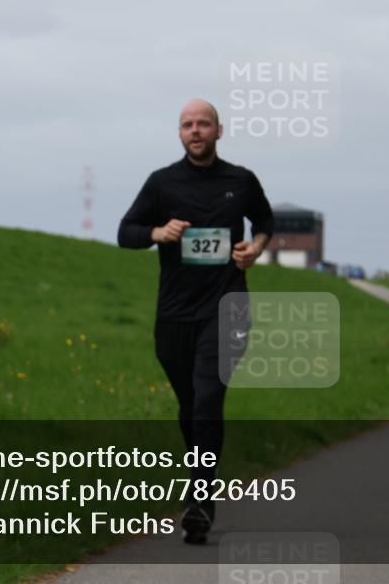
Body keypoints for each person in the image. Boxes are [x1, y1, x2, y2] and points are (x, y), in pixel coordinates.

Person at [117, 98, 274, 543]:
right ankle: (199, 485)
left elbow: (265, 221)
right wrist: (156, 233)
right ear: (180, 133)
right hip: (173, 315)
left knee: (207, 401)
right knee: (190, 410)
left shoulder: (241, 180)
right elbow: (125, 232)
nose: (196, 130)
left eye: (204, 123)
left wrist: (256, 248)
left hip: (227, 309)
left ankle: (201, 501)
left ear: (219, 131)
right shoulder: (161, 183)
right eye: (188, 124)